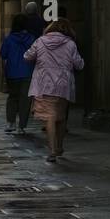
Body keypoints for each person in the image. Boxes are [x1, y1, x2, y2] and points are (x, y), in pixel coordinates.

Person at [24, 17, 84, 162]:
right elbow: (79, 64)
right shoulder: (70, 44)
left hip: (44, 83)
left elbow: (27, 56)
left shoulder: (40, 41)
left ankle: (52, 149)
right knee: (61, 116)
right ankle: (60, 146)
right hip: (63, 85)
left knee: (49, 116)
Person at [0, 14, 34, 135]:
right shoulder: (31, 38)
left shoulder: (9, 39)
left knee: (12, 97)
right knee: (25, 100)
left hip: (12, 72)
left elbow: (3, 54)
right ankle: (22, 126)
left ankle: (10, 122)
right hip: (27, 72)